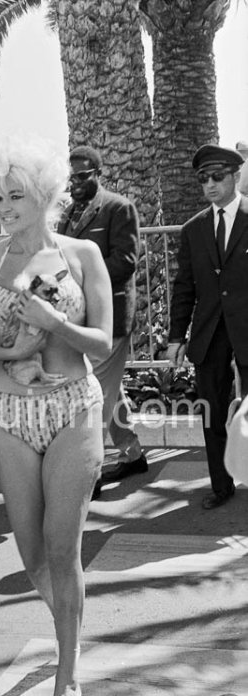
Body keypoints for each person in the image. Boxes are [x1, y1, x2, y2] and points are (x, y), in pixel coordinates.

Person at [0, 136, 112, 696]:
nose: (5, 206)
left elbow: (104, 342)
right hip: (8, 412)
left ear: (45, 196)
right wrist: (10, 349)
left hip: (72, 409)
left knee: (63, 552)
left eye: (16, 195)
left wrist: (55, 323)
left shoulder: (84, 254)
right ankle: (69, 623)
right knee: (32, 556)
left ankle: (67, 676)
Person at [57, 145, 147, 498]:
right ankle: (133, 453)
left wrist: (77, 278)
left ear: (98, 173)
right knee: (109, 392)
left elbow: (125, 262)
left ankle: (87, 476)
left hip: (110, 321)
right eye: (71, 177)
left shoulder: (118, 208)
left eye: (83, 176)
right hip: (79, 322)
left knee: (93, 397)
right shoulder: (66, 215)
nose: (75, 183)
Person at [166, 143, 248, 509]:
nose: (210, 184)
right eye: (203, 178)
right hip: (210, 331)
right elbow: (184, 287)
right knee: (212, 410)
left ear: (236, 176)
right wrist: (175, 337)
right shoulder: (193, 229)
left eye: (217, 176)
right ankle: (222, 485)